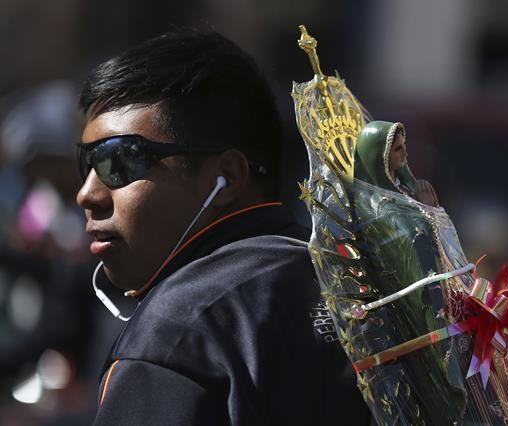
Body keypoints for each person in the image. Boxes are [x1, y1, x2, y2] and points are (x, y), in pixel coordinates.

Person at [76, 29, 369, 425]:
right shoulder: (345, 276)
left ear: (227, 176)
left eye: (119, 160)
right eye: (86, 163)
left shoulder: (179, 331)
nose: (87, 194)